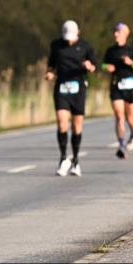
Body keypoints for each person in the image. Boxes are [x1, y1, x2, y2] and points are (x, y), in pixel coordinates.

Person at [46, 20, 97, 177]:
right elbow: (51, 64)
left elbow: (95, 66)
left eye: (72, 37)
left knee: (76, 125)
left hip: (78, 88)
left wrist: (90, 66)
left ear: (78, 33)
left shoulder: (86, 46)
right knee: (62, 123)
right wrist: (49, 73)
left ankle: (75, 160)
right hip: (61, 87)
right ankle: (63, 158)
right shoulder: (56, 45)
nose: (69, 40)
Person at [103, 23, 133, 159]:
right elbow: (102, 64)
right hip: (116, 85)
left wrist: (131, 63)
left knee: (130, 116)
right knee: (119, 116)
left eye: (118, 32)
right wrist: (106, 67)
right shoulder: (110, 51)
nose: (115, 34)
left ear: (125, 34)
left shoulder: (132, 50)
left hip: (129, 86)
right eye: (115, 32)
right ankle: (121, 145)